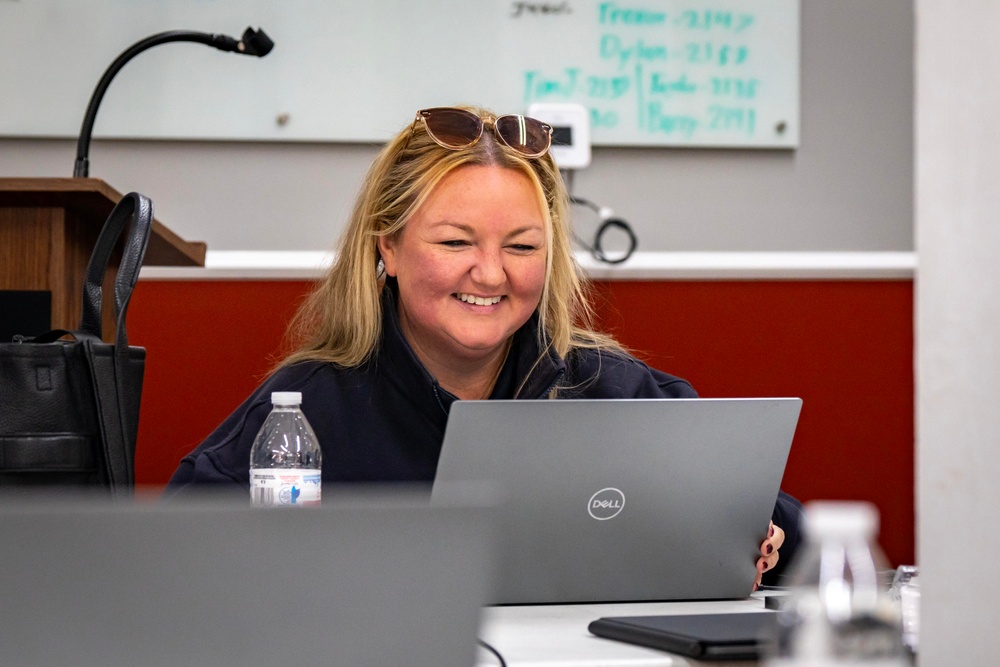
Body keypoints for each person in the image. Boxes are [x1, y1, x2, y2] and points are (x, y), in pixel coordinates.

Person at [167, 105, 801, 587]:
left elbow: (779, 523)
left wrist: (757, 536)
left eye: (522, 247)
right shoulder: (305, 408)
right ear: (386, 246)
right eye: (455, 242)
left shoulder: (604, 386)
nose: (492, 274)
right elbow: (180, 550)